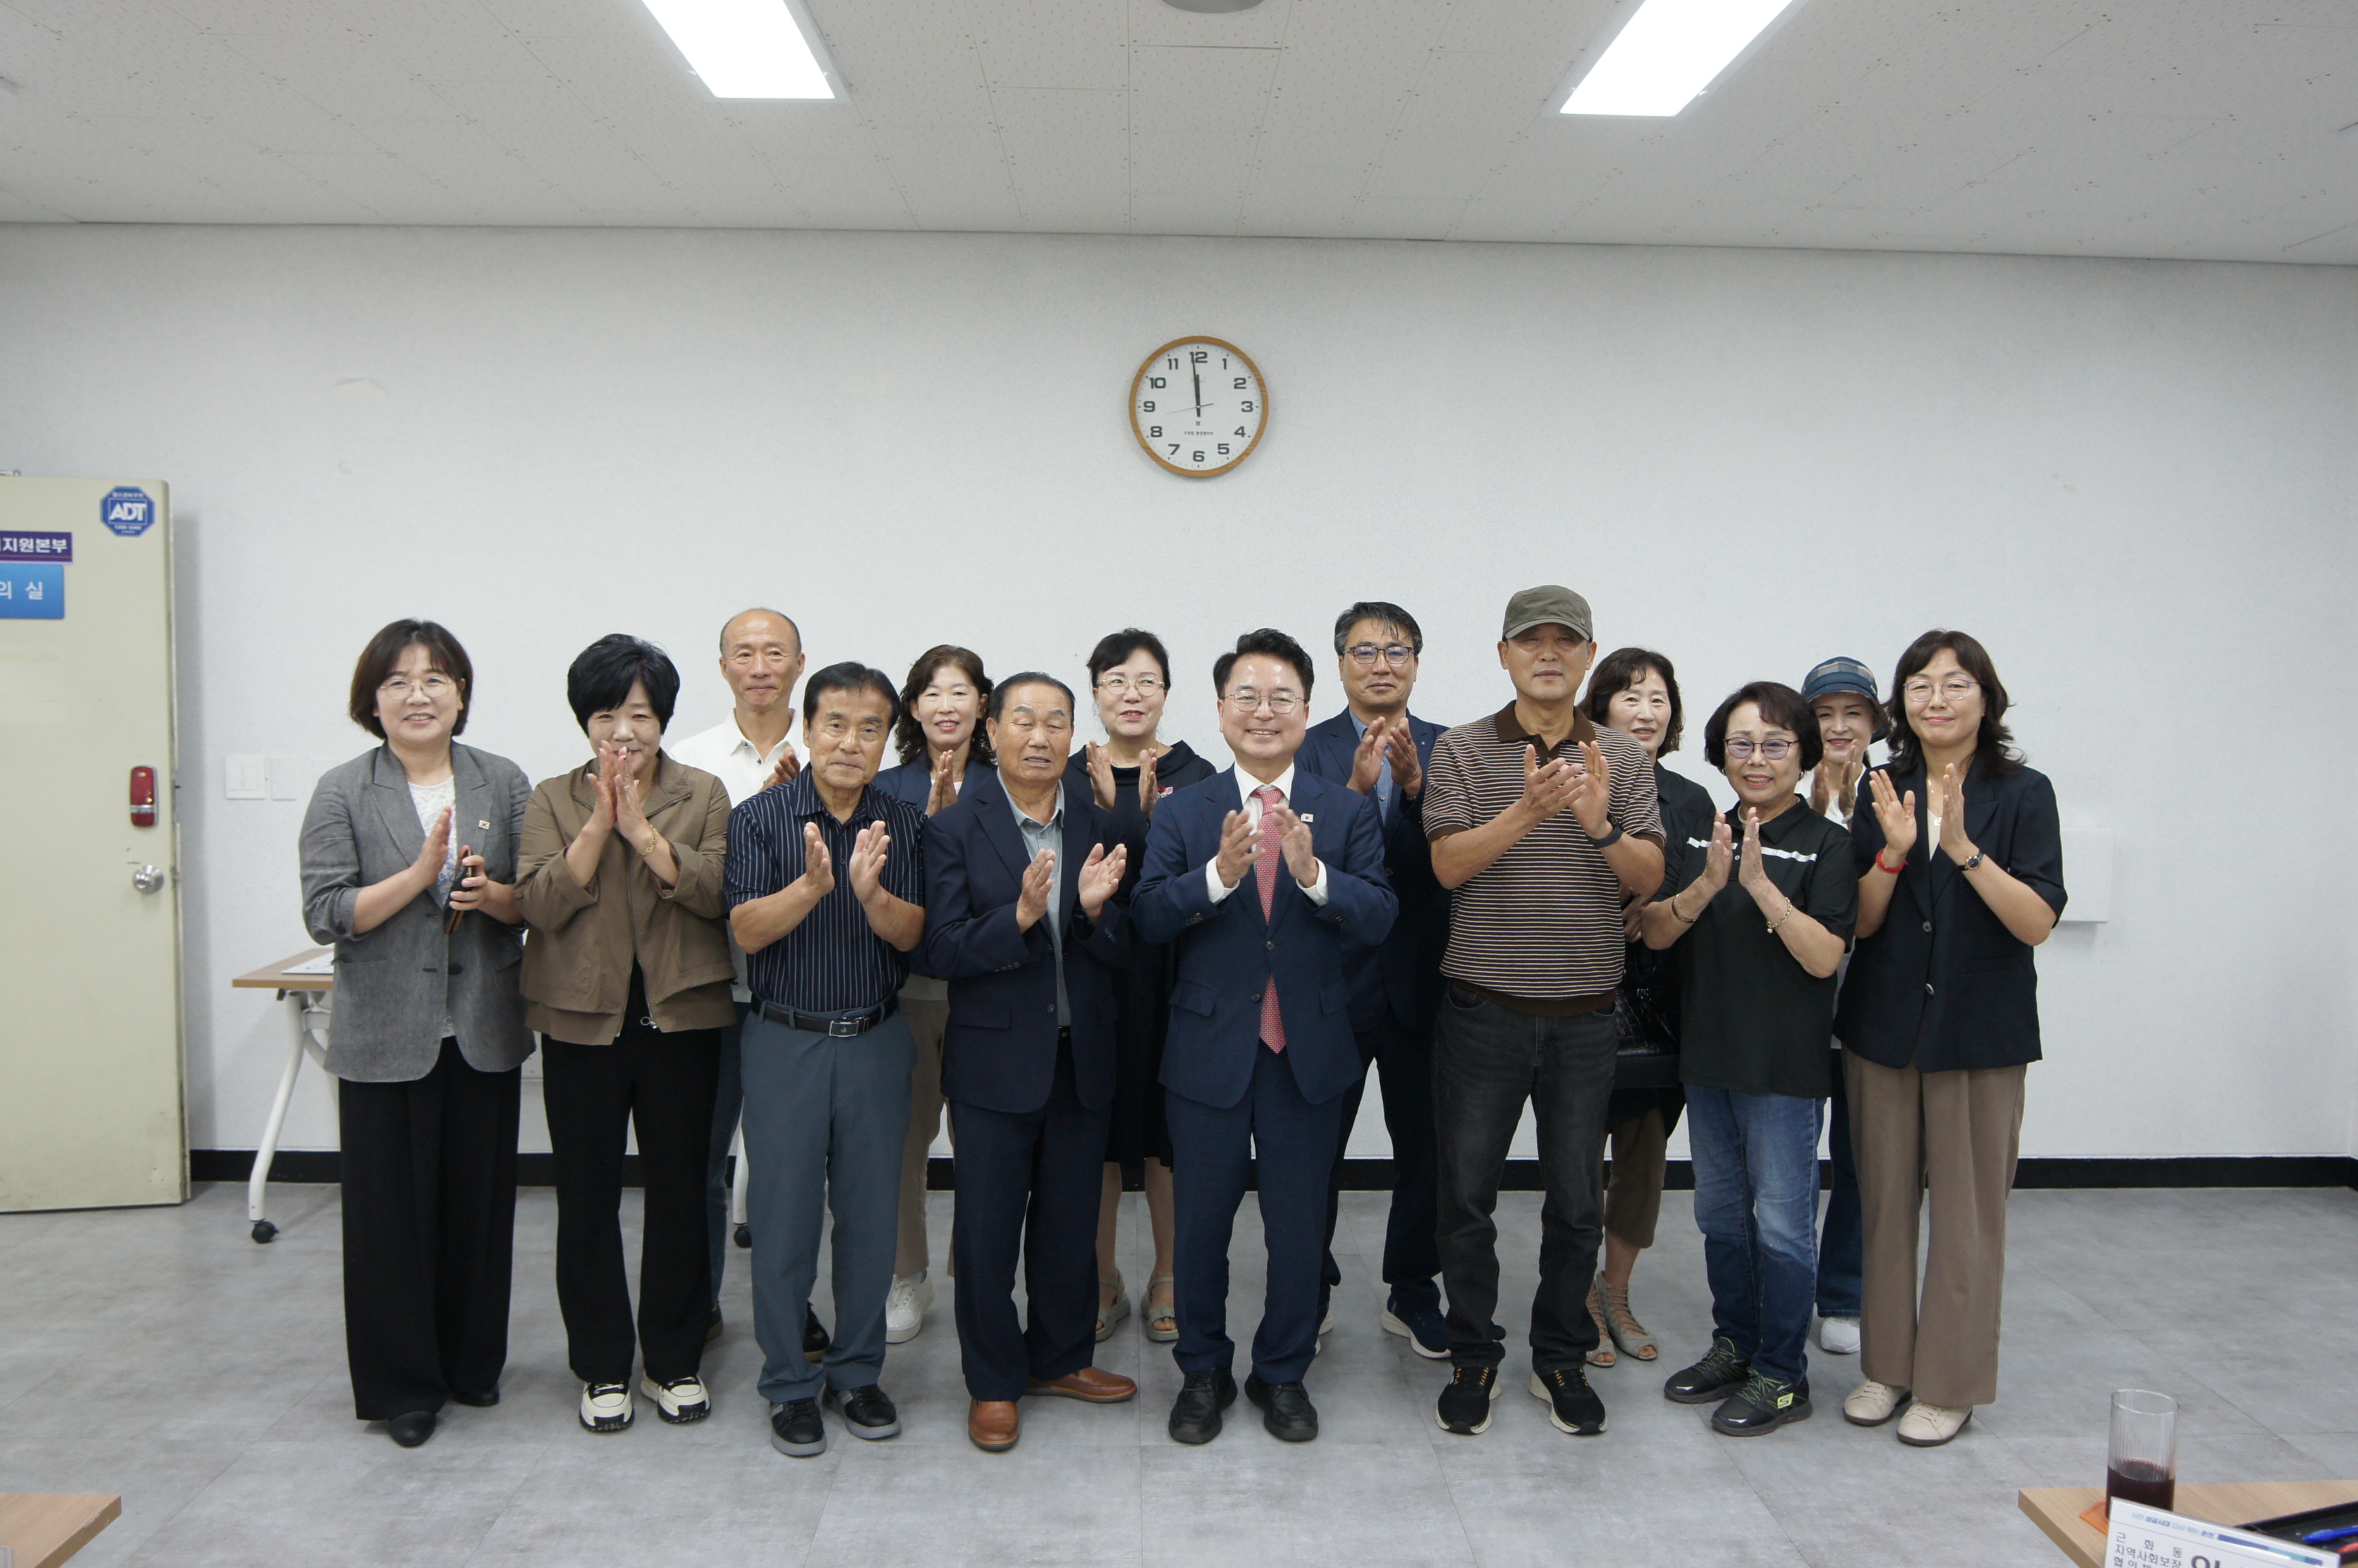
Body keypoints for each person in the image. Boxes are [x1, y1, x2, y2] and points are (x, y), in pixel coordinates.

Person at [1132, 629, 1396, 1445]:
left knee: (1296, 1227)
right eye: (1245, 696)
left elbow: (1382, 914)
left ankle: (1282, 1372)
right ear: (1218, 713)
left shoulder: (1346, 808)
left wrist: (1317, 878)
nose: (1263, 711)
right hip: (1209, 1052)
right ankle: (1203, 1370)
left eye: (1281, 697)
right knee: (1201, 1227)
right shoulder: (1184, 811)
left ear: (1307, 711)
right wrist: (1216, 876)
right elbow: (1146, 916)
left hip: (1306, 1054)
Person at [1422, 586, 1663, 1442]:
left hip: (1584, 1017)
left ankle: (1559, 1353)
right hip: (1481, 1012)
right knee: (1466, 1196)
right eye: (1532, 641)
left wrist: (1597, 825)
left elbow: (1644, 880)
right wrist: (1524, 812)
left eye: (1567, 641)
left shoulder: (1624, 761)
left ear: (1587, 656)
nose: (1548, 654)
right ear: (1503, 655)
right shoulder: (1458, 750)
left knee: (1574, 1201)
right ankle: (1473, 1352)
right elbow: (1447, 866)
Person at [300, 620, 532, 1450]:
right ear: (372, 700)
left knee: (477, 1205)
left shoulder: (501, 781)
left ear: (461, 693)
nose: (418, 694)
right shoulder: (342, 789)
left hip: (480, 1027)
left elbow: (538, 898)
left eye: (435, 678)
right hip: (385, 1034)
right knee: (388, 1217)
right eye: (397, 681)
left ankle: (472, 1365)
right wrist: (414, 876)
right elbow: (327, 911)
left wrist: (490, 895)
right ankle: (402, 1385)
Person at [1835, 631, 2063, 1448]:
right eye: (1920, 685)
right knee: (1885, 1204)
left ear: (1984, 697)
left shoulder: (2023, 792)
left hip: (1980, 1035)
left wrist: (1963, 850)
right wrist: (1895, 853)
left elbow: (2034, 921)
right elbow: (1859, 920)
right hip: (1883, 1027)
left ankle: (1950, 1382)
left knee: (1967, 1217)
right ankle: (1887, 1368)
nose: (1936, 698)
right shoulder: (1879, 786)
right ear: (1901, 703)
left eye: (1954, 683)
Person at [516, 635, 736, 1433]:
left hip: (682, 1019)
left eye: (638, 714)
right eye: (606, 713)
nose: (622, 731)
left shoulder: (704, 792)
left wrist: (642, 831)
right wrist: (596, 826)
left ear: (663, 718)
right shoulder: (549, 798)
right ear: (584, 720)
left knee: (681, 1193)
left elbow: (714, 892)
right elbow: (536, 903)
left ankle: (673, 1361)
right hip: (581, 1025)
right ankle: (603, 1366)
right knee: (585, 1199)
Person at [922, 673, 1140, 1451]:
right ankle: (991, 1380)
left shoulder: (1096, 820)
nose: (1040, 735)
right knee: (985, 1230)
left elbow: (1125, 946)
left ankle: (1059, 1358)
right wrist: (1015, 917)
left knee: (1068, 1222)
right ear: (991, 731)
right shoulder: (953, 827)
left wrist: (1086, 915)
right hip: (992, 1063)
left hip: (1081, 1059)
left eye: (1055, 720)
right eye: (1024, 720)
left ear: (1073, 735)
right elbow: (940, 947)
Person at [725, 662, 928, 1459]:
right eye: (835, 724)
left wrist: (871, 896)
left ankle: (856, 1371)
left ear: (886, 738)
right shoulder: (761, 818)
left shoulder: (902, 823)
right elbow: (745, 931)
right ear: (807, 730)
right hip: (784, 1041)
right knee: (782, 1222)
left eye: (868, 727)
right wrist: (812, 888)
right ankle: (786, 1382)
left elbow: (911, 935)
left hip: (876, 1040)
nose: (849, 741)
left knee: (872, 1220)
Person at [1642, 682, 1856, 1436]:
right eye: (1740, 743)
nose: (1755, 759)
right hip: (1707, 1060)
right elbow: (1655, 933)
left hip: (1783, 1072)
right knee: (1719, 1216)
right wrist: (1705, 884)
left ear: (1801, 752)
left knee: (1784, 1228)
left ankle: (1781, 1373)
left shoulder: (1828, 844)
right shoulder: (1701, 831)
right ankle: (1733, 1344)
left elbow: (1824, 954)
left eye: (1773, 744)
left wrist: (1763, 889)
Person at [666, 607, 831, 1367]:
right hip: (708, 989)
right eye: (744, 653)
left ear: (800, 663)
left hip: (797, 992)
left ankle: (792, 1309)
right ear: (723, 666)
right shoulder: (686, 759)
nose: (760, 665)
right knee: (700, 1160)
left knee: (788, 1170)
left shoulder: (828, 748)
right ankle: (694, 1304)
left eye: (775, 652)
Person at [1293, 600, 1449, 1357]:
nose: (1381, 663)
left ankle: (1413, 1286)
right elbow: (1294, 862)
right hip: (1333, 976)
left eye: (1396, 650)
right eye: (1364, 651)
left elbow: (1454, 863)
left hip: (1422, 974)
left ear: (1416, 663)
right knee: (1313, 1141)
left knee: (1425, 1144)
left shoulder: (1453, 749)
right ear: (1340, 663)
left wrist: (1416, 792)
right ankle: (1309, 1277)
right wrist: (1354, 796)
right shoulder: (1306, 745)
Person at [1069, 629, 1218, 1346]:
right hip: (1093, 976)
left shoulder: (1197, 775)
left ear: (1166, 693)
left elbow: (1196, 881)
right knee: (1094, 1130)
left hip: (1169, 977)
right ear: (1094, 691)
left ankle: (1167, 1273)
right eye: (1116, 680)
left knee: (1167, 1135)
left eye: (1146, 681)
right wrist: (1115, 810)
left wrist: (1149, 815)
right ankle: (1101, 1275)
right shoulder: (1065, 773)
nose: (1131, 694)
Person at [1581, 647, 1716, 1368]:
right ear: (1598, 709)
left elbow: (1696, 891)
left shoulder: (1690, 799)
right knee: (1574, 1157)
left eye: (1657, 698)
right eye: (1629, 697)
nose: (1645, 711)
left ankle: (1615, 1290)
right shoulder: (1571, 782)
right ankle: (1575, 1295)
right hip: (1573, 998)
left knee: (1640, 1158)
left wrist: (1659, 906)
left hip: (1658, 1004)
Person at [870, 645, 995, 1345]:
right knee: (905, 1142)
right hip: (911, 987)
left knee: (984, 1141)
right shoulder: (885, 784)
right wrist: (927, 825)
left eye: (961, 690)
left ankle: (974, 1269)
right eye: (932, 692)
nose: (946, 704)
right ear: (913, 707)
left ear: (983, 702)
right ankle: (905, 1273)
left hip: (986, 987)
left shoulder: (1011, 777)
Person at [1797, 654, 1889, 1359]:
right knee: (1790, 1159)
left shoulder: (1893, 800)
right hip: (1795, 1012)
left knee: (1858, 1160)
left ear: (1873, 723)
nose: (1837, 727)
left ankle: (1845, 1292)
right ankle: (1788, 1285)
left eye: (1851, 714)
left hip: (1865, 1010)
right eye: (1823, 714)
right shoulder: (1779, 796)